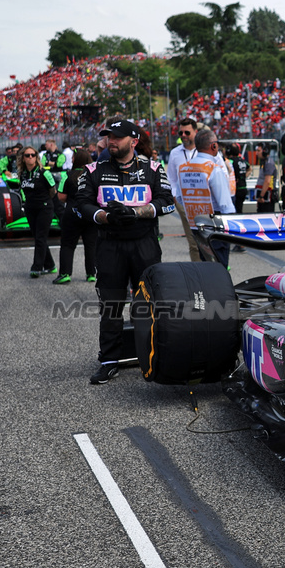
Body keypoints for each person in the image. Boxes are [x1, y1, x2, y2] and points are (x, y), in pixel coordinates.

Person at [72, 119, 175, 385]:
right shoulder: (93, 169)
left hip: (144, 244)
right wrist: (104, 216)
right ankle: (109, 360)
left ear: (134, 141)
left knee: (149, 304)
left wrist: (136, 212)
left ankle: (154, 354)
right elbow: (79, 204)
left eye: (117, 137)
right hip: (110, 245)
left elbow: (167, 202)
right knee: (111, 305)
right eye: (108, 136)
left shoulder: (153, 167)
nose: (111, 141)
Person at [179, 128, 236, 266]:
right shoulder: (213, 168)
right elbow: (225, 205)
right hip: (215, 226)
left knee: (206, 267)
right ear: (213, 145)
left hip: (196, 225)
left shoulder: (184, 168)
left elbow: (181, 198)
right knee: (219, 269)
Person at [54, 148, 97, 283]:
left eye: (73, 157)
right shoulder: (94, 175)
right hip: (90, 213)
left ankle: (65, 274)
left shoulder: (67, 175)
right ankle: (91, 273)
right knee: (91, 244)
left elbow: (61, 196)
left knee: (67, 244)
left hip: (72, 213)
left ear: (75, 160)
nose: (71, 159)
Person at [164, 117, 201, 261]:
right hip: (183, 202)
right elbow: (171, 178)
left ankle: (212, 270)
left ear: (195, 132)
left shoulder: (203, 150)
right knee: (193, 242)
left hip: (203, 201)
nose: (183, 136)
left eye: (187, 132)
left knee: (208, 240)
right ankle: (198, 272)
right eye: (181, 133)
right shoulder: (175, 153)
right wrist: (175, 198)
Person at [18, 147, 58, 278]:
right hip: (30, 208)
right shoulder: (22, 173)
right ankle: (50, 265)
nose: (30, 157)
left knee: (40, 237)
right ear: (23, 158)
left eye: (32, 155)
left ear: (36, 157)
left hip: (44, 208)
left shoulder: (44, 173)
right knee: (38, 237)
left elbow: (53, 190)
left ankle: (37, 267)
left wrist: (46, 202)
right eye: (27, 155)